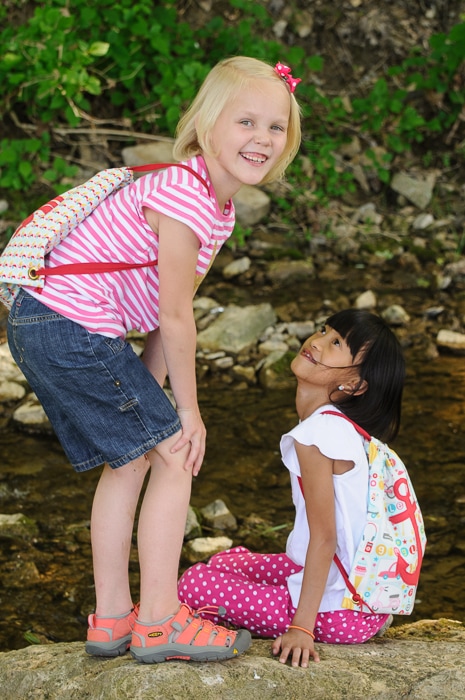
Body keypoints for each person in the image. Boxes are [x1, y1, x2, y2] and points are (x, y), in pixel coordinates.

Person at [7, 56, 302, 664]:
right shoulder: (188, 198)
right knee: (175, 455)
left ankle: (112, 618)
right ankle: (162, 621)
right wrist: (186, 413)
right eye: (246, 121)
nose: (262, 139)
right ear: (206, 125)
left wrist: (157, 397)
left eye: (277, 127)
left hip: (43, 321)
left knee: (133, 459)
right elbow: (174, 318)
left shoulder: (204, 198)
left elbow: (171, 317)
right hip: (72, 323)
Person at [178, 309, 406, 666]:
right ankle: (364, 617)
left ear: (356, 385)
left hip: (338, 611)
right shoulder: (337, 426)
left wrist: (302, 628)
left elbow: (325, 537)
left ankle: (307, 618)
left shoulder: (318, 435)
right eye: (323, 329)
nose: (316, 341)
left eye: (335, 344)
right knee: (227, 560)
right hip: (359, 597)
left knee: (194, 584)